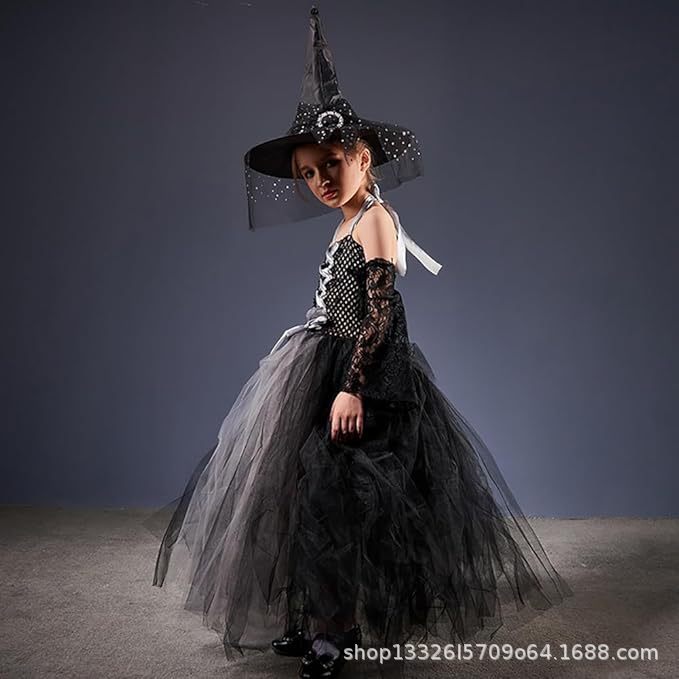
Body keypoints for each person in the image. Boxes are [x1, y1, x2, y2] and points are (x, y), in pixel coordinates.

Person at [149, 7, 573, 679]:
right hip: (324, 365)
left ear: (362, 158)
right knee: (307, 489)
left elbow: (381, 312)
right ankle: (321, 615)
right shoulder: (346, 222)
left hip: (366, 374)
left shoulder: (375, 219)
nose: (320, 179)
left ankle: (336, 629)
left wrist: (351, 386)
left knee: (337, 495)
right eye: (307, 173)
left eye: (331, 163)